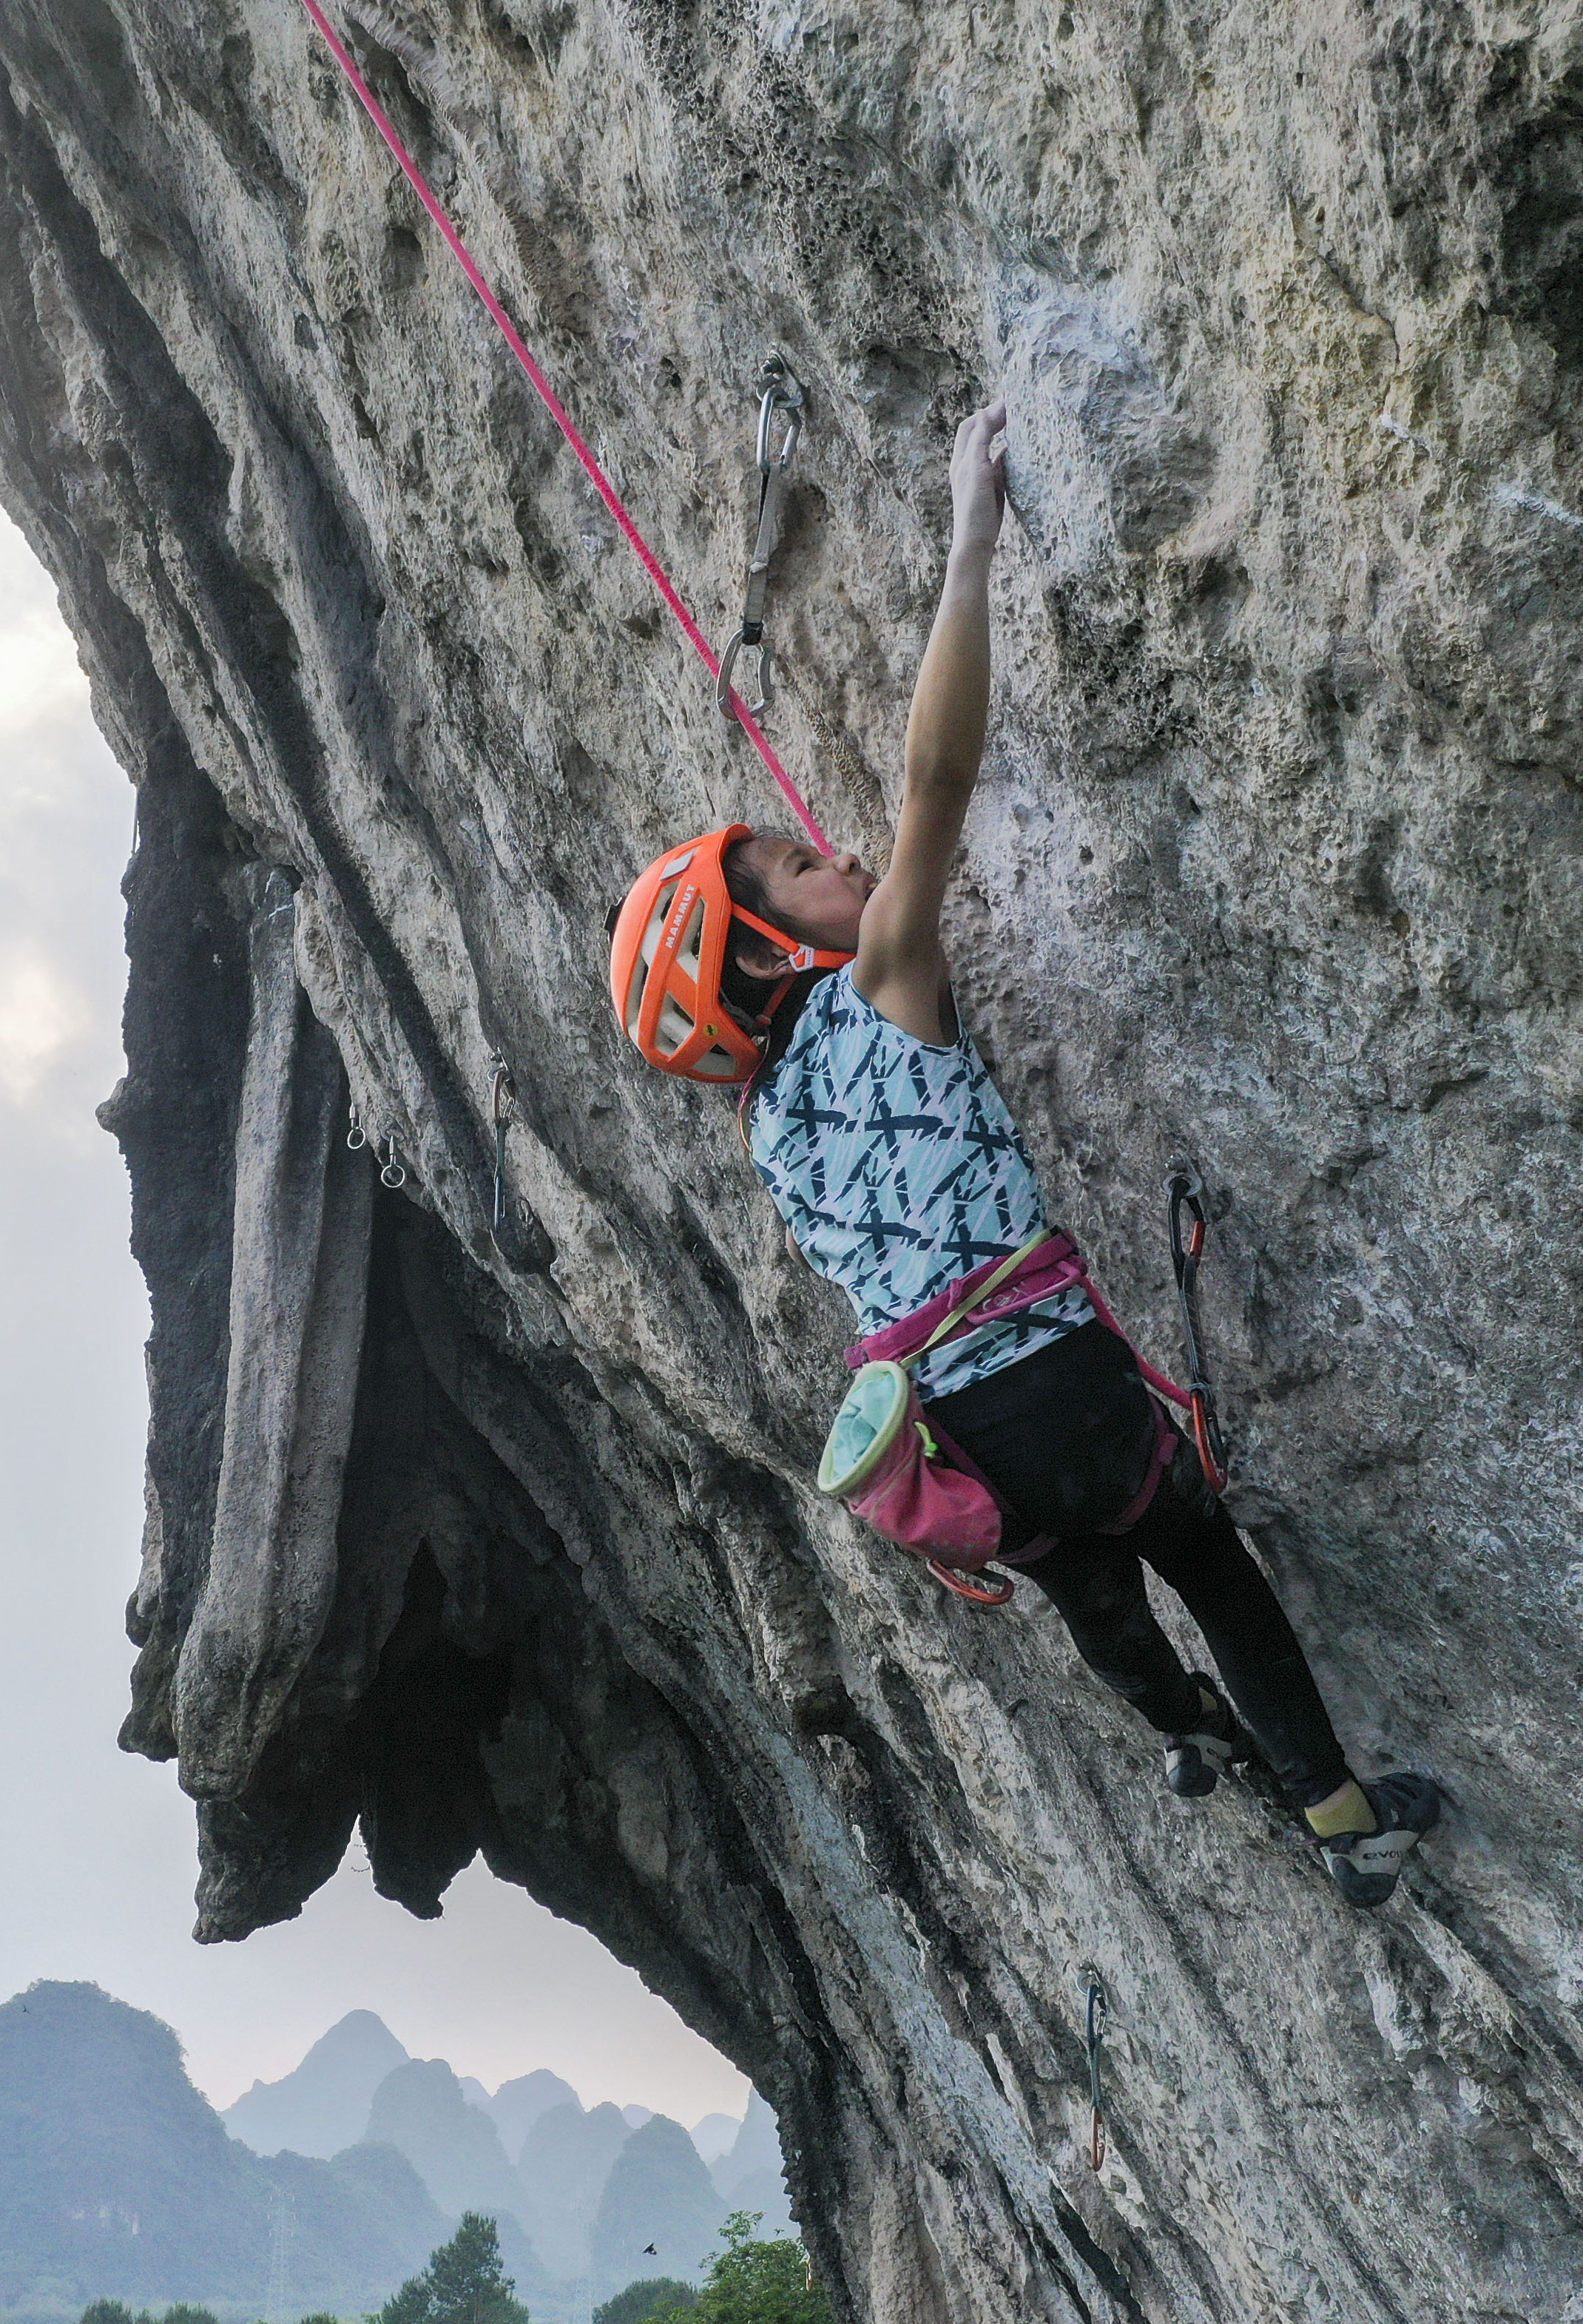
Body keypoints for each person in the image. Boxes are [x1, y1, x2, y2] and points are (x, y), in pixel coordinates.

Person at [604, 404, 1445, 1907]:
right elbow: (934, 785)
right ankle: (1338, 1819)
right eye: (798, 871)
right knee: (1207, 1562)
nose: (835, 857)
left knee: (1097, 1594)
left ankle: (1185, 1733)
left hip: (947, 1440)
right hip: (1049, 1385)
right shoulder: (885, 989)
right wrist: (970, 539)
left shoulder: (768, 1126)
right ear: (762, 956)